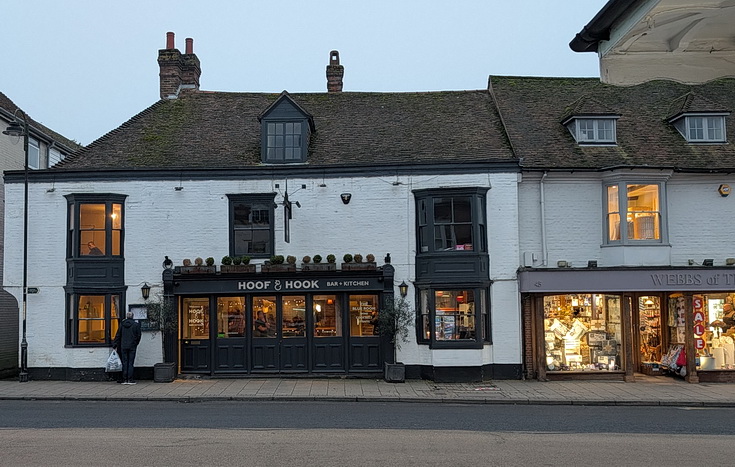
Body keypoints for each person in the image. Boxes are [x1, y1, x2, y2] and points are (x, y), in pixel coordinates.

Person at [113, 311, 142, 384]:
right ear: (132, 316)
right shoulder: (136, 325)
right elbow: (138, 335)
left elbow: (118, 335)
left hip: (123, 345)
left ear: (127, 317)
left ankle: (124, 379)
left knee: (124, 362)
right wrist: (136, 343)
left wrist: (115, 344)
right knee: (131, 362)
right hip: (132, 345)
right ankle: (130, 379)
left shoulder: (122, 325)